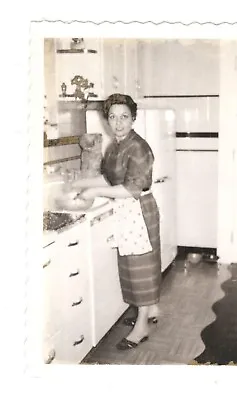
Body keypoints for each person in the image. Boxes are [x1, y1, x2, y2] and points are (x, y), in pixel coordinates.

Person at [72, 93, 161, 350]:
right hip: (126, 212)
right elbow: (110, 180)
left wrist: (93, 192)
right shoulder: (115, 145)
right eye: (113, 117)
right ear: (107, 120)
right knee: (131, 265)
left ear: (133, 118)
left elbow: (131, 189)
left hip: (139, 210)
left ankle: (142, 325)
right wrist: (82, 184)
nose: (118, 122)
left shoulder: (139, 147)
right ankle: (149, 309)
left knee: (141, 266)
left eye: (124, 117)